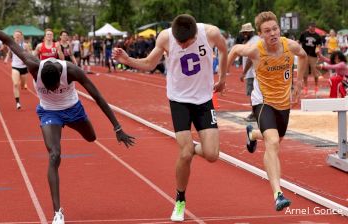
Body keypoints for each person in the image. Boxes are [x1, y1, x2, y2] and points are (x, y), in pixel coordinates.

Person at [0, 2, 135, 224]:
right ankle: (57, 212)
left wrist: (117, 127)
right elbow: (7, 40)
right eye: (48, 87)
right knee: (54, 155)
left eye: (55, 87)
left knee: (92, 138)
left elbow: (99, 97)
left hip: (73, 109)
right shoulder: (33, 64)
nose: (53, 90)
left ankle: (82, 127)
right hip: (49, 112)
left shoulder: (73, 71)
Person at [113, 14, 227, 222]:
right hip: (179, 101)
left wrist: (223, 78)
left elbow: (224, 48)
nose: (182, 46)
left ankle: (191, 147)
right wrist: (127, 60)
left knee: (212, 155)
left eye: (185, 43)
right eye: (179, 42)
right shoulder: (166, 38)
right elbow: (149, 63)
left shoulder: (210, 33)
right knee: (184, 154)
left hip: (203, 100)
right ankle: (180, 200)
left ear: (194, 36)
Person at [227, 11, 307, 211]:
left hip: (283, 103)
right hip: (263, 102)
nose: (272, 33)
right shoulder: (256, 50)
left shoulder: (290, 45)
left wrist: (298, 82)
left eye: (275, 29)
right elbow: (235, 50)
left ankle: (252, 134)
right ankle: (278, 194)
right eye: (267, 31)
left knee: (276, 139)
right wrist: (221, 76)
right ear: (260, 34)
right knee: (272, 143)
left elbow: (303, 55)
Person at [4, 30, 32, 109]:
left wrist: (27, 61)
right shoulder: (11, 45)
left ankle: (23, 84)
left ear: (21, 37)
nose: (17, 37)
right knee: (15, 84)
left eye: (19, 36)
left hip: (23, 68)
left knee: (22, 86)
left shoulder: (25, 45)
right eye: (16, 36)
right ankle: (18, 103)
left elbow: (30, 55)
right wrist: (6, 59)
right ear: (13, 36)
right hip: (15, 66)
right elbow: (9, 53)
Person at [238, 23, 260, 122]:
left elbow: (250, 59)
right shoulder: (252, 40)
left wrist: (244, 72)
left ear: (251, 31)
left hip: (252, 72)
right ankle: (256, 113)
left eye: (247, 32)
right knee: (255, 94)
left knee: (252, 94)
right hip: (253, 72)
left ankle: (255, 113)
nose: (245, 33)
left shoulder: (253, 41)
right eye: (243, 32)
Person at [299, 22, 322, 95]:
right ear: (309, 27)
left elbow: (319, 45)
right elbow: (299, 42)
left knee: (315, 71)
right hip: (304, 55)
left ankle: (316, 86)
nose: (312, 28)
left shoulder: (317, 36)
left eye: (313, 27)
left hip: (313, 55)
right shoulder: (304, 34)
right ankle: (306, 87)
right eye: (311, 26)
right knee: (305, 72)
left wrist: (318, 49)